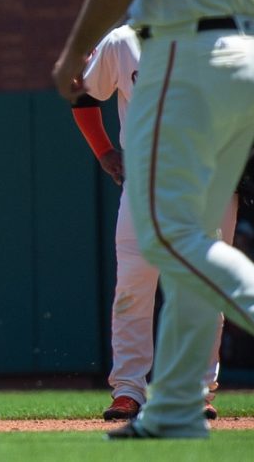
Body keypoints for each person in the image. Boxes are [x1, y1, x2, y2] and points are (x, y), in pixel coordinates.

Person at [53, 0, 254, 438]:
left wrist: (75, 48)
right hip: (244, 53)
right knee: (186, 253)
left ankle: (167, 393)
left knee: (173, 242)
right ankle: (162, 398)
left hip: (188, 50)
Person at [71, 25, 236, 421]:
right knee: (134, 284)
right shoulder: (124, 40)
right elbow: (83, 92)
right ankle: (128, 390)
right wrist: (104, 151)